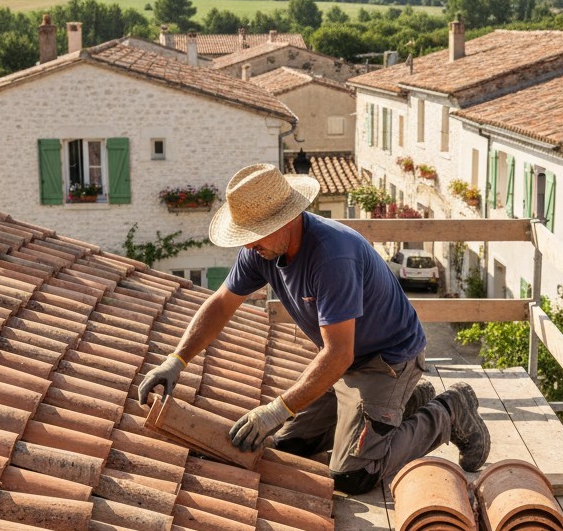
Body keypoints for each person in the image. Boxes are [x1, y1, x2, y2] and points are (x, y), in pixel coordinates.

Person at [138, 163, 490, 494]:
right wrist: (176, 360)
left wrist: (275, 409)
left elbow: (339, 353)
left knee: (352, 474)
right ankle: (405, 406)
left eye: (255, 235)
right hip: (345, 364)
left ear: (286, 219)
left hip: (388, 361)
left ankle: (449, 411)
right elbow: (221, 305)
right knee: (291, 445)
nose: (248, 244)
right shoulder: (263, 251)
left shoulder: (332, 256)